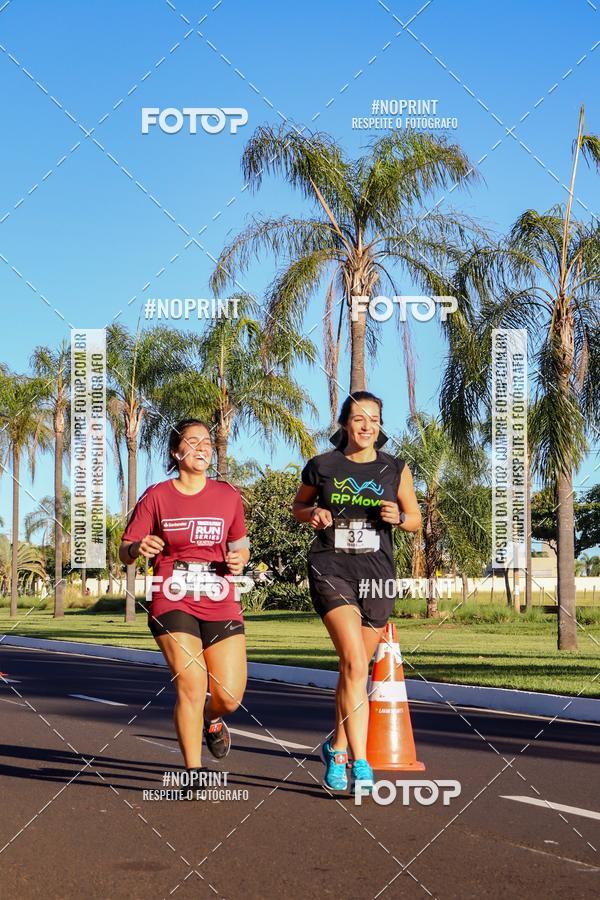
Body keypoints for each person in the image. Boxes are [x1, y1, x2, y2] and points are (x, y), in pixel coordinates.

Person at [292, 392, 422, 797]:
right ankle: (360, 762)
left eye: (374, 419)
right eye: (359, 418)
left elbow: (415, 518)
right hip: (332, 568)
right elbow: (298, 506)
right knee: (352, 661)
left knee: (354, 670)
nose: (367, 426)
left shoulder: (394, 468)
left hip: (378, 574)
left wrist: (398, 518)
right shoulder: (323, 466)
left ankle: (337, 746)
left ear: (380, 426)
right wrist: (313, 513)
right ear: (345, 423)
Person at [119, 419, 250, 783]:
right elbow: (124, 550)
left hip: (219, 594)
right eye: (192, 442)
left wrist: (241, 558)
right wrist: (137, 547)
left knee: (228, 695)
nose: (202, 447)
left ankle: (212, 717)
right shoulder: (157, 496)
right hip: (171, 593)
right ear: (176, 452)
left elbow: (240, 544)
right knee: (192, 684)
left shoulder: (229, 496)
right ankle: (193, 771)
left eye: (206, 442)